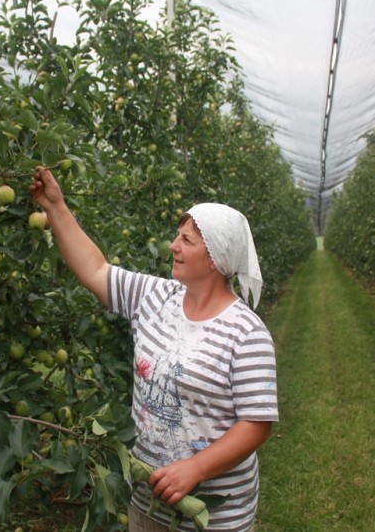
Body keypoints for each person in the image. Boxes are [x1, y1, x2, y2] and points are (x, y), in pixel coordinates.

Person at [29, 166, 278, 531]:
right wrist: (55, 207)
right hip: (147, 499)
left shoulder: (246, 333)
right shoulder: (154, 296)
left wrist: (196, 467)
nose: (173, 246)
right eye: (176, 236)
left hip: (213, 517)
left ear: (216, 259)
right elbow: (95, 269)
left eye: (187, 240)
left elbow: (256, 424)